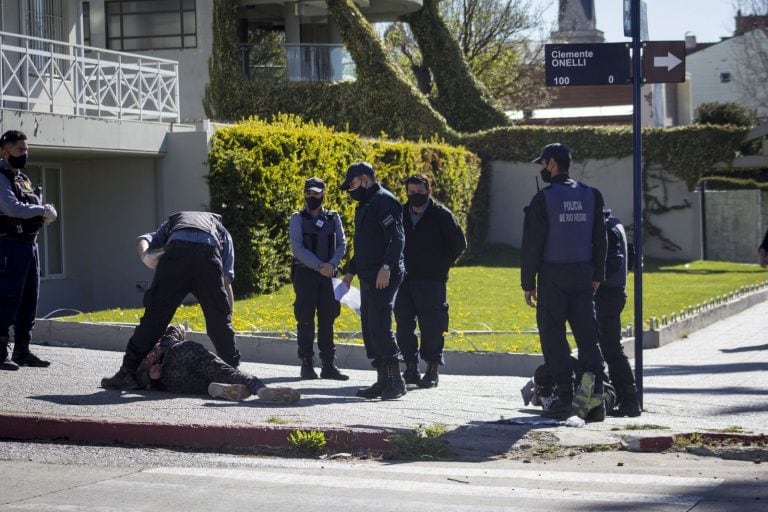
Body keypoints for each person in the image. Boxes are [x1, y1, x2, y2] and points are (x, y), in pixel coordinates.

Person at [101, 211, 240, 390]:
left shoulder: (173, 223)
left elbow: (142, 241)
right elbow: (226, 280)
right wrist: (225, 316)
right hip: (208, 255)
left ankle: (127, 373)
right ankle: (232, 373)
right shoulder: (222, 230)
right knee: (217, 322)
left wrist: (148, 260)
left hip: (176, 253)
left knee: (154, 319)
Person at [521, 143, 607, 421]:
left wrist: (528, 282)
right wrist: (597, 275)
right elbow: (600, 238)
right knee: (587, 336)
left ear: (552, 164)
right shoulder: (592, 195)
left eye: (543, 164)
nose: (543, 169)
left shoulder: (543, 199)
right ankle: (595, 397)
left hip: (553, 275)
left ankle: (565, 395)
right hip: (583, 275)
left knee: (553, 335)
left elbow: (532, 244)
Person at [340, 162, 406, 400]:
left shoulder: (384, 201)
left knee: (380, 325)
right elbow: (366, 245)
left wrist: (387, 267)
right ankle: (382, 380)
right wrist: (350, 272)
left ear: (365, 178)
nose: (350, 189)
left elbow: (397, 239)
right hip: (368, 274)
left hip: (384, 274)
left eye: (353, 183)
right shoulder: (365, 204)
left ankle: (397, 381)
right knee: (369, 328)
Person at [394, 174, 466, 388]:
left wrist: (440, 264)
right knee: (403, 325)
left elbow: (459, 244)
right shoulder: (400, 213)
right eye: (411, 191)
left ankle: (432, 369)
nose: (415, 195)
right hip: (404, 280)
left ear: (429, 191)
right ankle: (410, 367)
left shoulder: (441, 215)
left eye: (420, 191)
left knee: (432, 326)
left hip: (431, 281)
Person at [0, 130, 58, 371]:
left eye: (26, 150)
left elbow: (33, 206)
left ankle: (23, 350)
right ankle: (1, 351)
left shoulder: (22, 178)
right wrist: (41, 210)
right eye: (19, 150)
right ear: (4, 151)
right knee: (7, 297)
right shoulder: (1, 176)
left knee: (29, 299)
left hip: (29, 244)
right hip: (8, 245)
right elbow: (12, 208)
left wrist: (45, 211)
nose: (24, 154)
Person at [135, 324, 300, 403]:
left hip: (172, 380)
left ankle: (216, 389)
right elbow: (177, 327)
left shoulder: (137, 363)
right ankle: (259, 388)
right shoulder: (164, 341)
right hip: (181, 351)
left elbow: (139, 382)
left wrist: (151, 377)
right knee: (226, 372)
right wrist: (163, 347)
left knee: (202, 386)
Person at [289, 177, 348, 380]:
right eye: (309, 193)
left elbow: (342, 244)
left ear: (324, 194)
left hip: (329, 274)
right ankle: (307, 364)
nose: (312, 197)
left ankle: (329, 365)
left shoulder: (333, 217)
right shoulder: (297, 218)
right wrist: (318, 266)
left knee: (328, 319)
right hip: (306, 275)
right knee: (305, 319)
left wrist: (331, 265)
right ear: (304, 193)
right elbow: (297, 247)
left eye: (316, 193)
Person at [595, 208, 641, 417]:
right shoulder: (615, 223)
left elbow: (614, 260)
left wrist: (595, 278)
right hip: (614, 292)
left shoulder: (606, 227)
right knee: (609, 347)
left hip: (607, 293)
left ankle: (630, 398)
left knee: (611, 348)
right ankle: (623, 396)